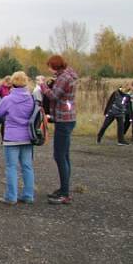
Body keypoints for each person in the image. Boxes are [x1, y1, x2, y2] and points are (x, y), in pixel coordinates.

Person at [39, 55, 78, 205]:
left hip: (64, 119)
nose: (48, 69)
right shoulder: (68, 75)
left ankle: (64, 193)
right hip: (68, 118)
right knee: (65, 156)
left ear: (55, 66)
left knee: (59, 156)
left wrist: (43, 85)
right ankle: (63, 188)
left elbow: (54, 96)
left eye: (50, 66)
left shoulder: (64, 78)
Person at [0, 72, 35, 205]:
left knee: (11, 167)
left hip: (12, 137)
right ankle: (28, 195)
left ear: (13, 83)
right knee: (27, 166)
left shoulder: (8, 99)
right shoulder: (31, 98)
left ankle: (11, 196)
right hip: (28, 136)